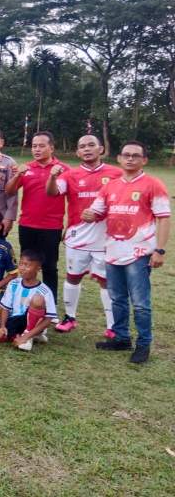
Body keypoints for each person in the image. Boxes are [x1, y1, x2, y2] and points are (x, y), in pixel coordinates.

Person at [85, 141, 170, 364]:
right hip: (113, 251)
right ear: (119, 159)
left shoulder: (153, 184)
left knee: (140, 303)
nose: (130, 159)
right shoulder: (111, 186)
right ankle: (121, 338)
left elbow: (163, 219)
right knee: (117, 298)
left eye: (135, 155)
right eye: (126, 155)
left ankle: (143, 344)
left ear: (144, 160)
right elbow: (96, 211)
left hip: (139, 254)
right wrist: (89, 215)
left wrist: (159, 250)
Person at [45, 135, 122, 336]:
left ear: (101, 149)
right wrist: (52, 177)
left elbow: (124, 200)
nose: (87, 149)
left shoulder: (116, 174)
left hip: (105, 238)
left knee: (106, 281)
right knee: (73, 277)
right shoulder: (70, 175)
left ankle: (112, 325)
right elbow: (52, 192)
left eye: (91, 145)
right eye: (82, 146)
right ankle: (69, 317)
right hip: (77, 236)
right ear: (77, 152)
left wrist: (101, 214)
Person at [5, 131, 68, 303]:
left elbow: (70, 198)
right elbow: (9, 191)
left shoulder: (63, 169)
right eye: (34, 146)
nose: (37, 149)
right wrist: (18, 175)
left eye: (41, 146)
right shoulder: (26, 168)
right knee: (27, 264)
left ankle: (50, 303)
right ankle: (24, 299)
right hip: (27, 225)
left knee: (49, 266)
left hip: (51, 227)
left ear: (51, 148)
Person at [0, 250, 57, 351]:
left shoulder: (44, 290)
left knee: (37, 299)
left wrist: (26, 336)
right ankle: (19, 337)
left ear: (38, 268)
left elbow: (48, 319)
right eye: (21, 264)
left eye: (27, 265)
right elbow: (5, 308)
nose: (23, 268)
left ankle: (28, 335)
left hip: (29, 322)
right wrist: (2, 326)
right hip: (13, 321)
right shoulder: (13, 283)